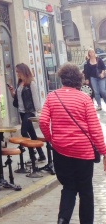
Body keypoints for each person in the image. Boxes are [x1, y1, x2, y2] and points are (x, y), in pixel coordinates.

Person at [39, 63, 106, 224]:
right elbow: (95, 129)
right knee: (85, 191)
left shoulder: (52, 96)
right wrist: (104, 151)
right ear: (79, 79)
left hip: (61, 151)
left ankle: (63, 220)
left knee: (68, 187)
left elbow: (43, 121)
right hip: (83, 152)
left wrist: (51, 139)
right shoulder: (84, 99)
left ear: (62, 78)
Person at [7, 63, 45, 161]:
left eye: (18, 71)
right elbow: (17, 97)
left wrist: (39, 111)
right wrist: (12, 91)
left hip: (29, 111)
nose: (17, 74)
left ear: (23, 71)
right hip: (22, 111)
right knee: (32, 133)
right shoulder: (20, 83)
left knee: (23, 131)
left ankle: (32, 154)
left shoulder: (31, 83)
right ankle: (41, 155)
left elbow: (35, 98)